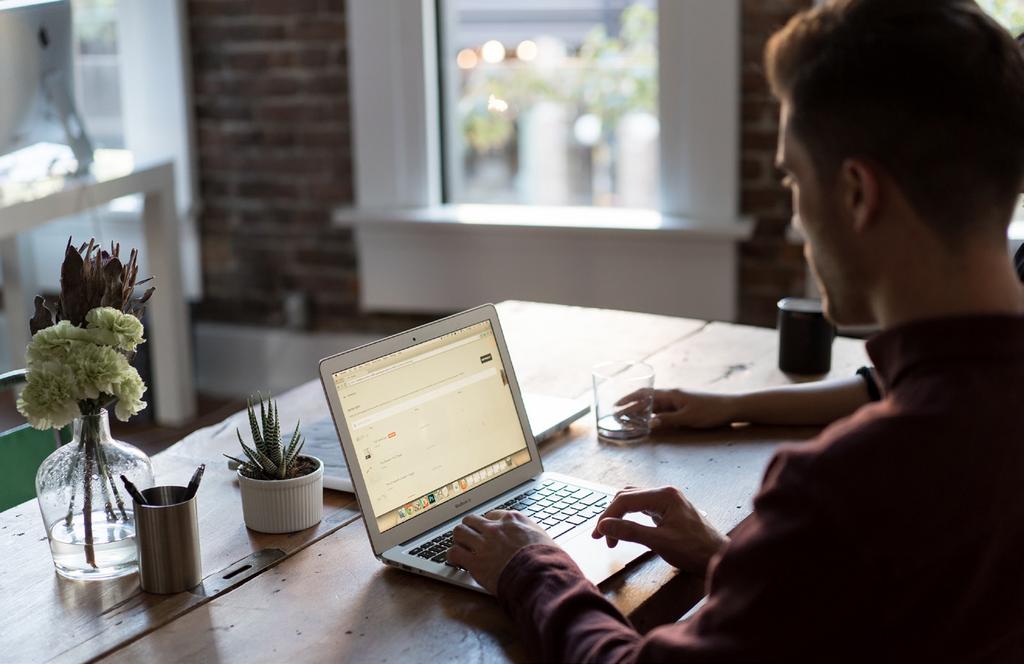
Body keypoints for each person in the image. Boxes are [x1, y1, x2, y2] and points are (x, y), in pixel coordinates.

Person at [447, 1, 1024, 660]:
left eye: (792, 178)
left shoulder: (851, 488)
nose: (798, 223)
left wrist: (532, 567)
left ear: (858, 194)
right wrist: (738, 561)